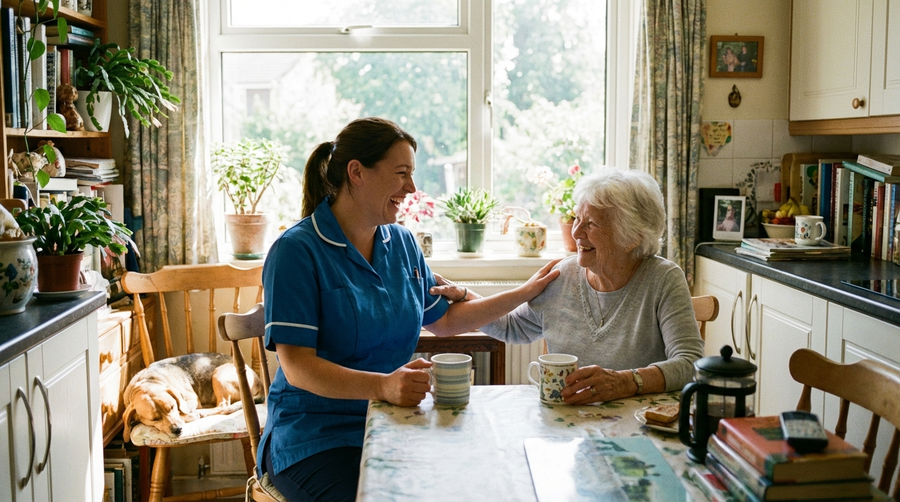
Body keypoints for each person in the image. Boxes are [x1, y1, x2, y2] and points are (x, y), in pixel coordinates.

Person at [260, 117, 560, 501]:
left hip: (391, 422)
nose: (412, 188)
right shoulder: (296, 251)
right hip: (315, 438)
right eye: (401, 173)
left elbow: (446, 321)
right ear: (357, 173)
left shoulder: (402, 243)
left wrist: (526, 291)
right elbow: (298, 366)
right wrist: (383, 385)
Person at [435, 167, 703, 404]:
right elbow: (513, 327)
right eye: (577, 219)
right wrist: (465, 296)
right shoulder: (563, 275)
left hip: (639, 425)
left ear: (631, 237)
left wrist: (625, 382)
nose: (576, 233)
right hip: (569, 423)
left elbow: (689, 363)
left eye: (591, 224)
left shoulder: (663, 278)